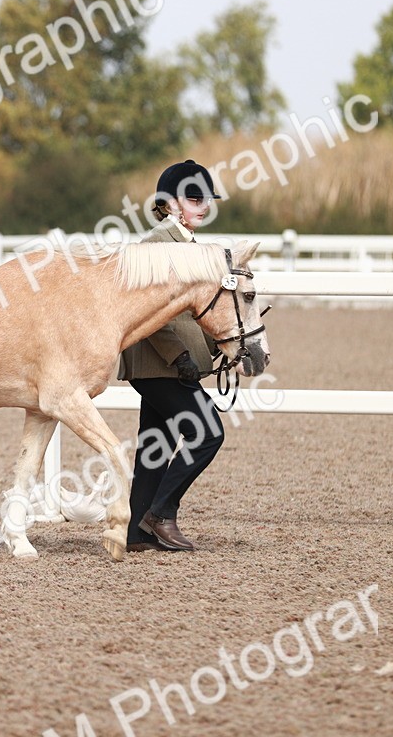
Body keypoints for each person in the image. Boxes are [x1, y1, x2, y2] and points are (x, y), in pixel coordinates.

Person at [117, 159, 225, 553]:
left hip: (172, 366)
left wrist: (216, 347)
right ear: (171, 203)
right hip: (157, 364)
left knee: (156, 445)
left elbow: (195, 313)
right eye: (195, 198)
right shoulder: (155, 246)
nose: (204, 205)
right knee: (208, 433)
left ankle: (136, 533)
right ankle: (161, 514)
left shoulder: (189, 247)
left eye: (206, 199)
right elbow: (148, 314)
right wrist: (179, 356)